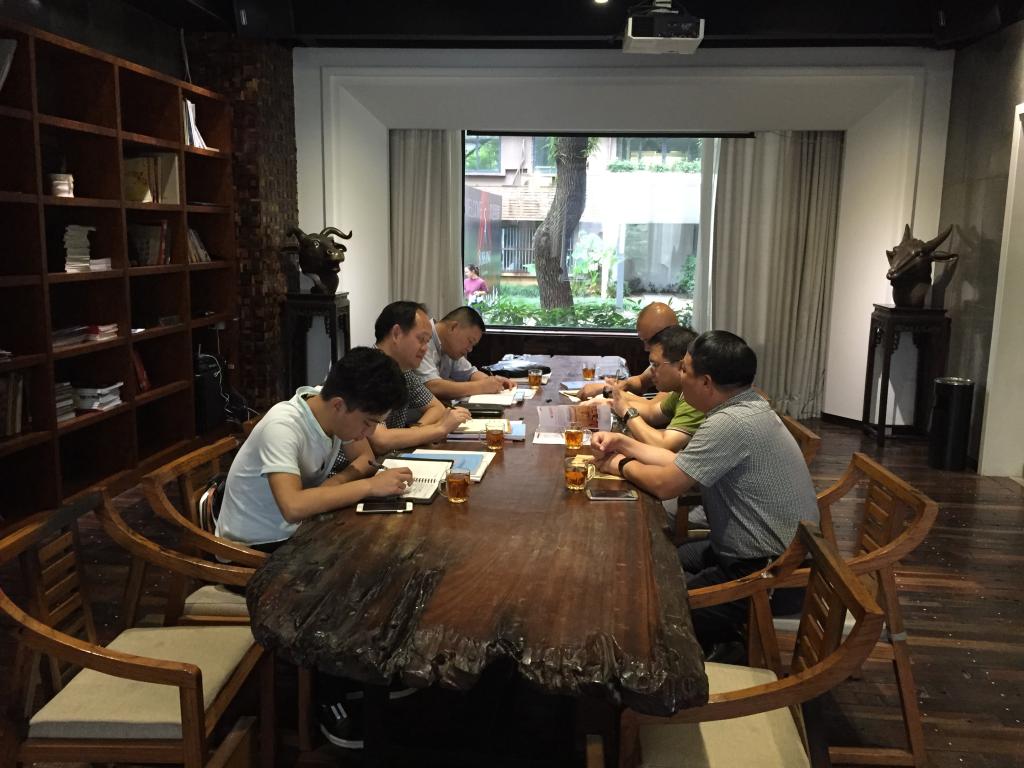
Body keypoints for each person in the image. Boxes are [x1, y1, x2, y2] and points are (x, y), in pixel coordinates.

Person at [590, 330, 818, 656]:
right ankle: (712, 642)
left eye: (685, 370)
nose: (680, 378)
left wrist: (620, 465)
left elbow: (666, 484)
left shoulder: (730, 423)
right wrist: (625, 443)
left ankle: (699, 659)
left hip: (769, 573)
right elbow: (682, 463)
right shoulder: (747, 407)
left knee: (649, 610)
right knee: (654, 558)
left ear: (706, 382)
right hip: (754, 553)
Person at [216, 346, 413, 550]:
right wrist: (370, 486)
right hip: (254, 544)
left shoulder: (327, 406)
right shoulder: (282, 426)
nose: (370, 432)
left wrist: (333, 484)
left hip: (300, 528)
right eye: (368, 422)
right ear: (338, 405)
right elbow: (293, 507)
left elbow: (365, 458)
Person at [367, 301, 471, 453]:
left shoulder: (403, 371)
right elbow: (381, 440)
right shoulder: (369, 372)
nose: (425, 349)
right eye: (421, 340)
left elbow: (436, 407)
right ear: (396, 334)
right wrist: (438, 429)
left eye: (427, 342)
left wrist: (416, 432)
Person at [606, 325, 703, 452]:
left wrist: (625, 410)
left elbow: (664, 445)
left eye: (655, 365)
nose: (651, 371)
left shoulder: (696, 397)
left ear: (681, 366)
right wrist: (612, 401)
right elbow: (651, 412)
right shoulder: (679, 390)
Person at [577, 301, 679, 400]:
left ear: (668, 335)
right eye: (643, 341)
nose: (646, 348)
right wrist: (617, 385)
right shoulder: (667, 357)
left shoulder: (679, 364)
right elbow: (641, 381)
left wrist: (607, 391)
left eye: (649, 341)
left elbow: (653, 407)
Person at [415, 305, 514, 399]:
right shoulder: (423, 340)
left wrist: (494, 382)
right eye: (470, 341)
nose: (470, 349)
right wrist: (480, 387)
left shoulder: (450, 347)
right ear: (453, 327)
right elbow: (431, 386)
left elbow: (469, 373)